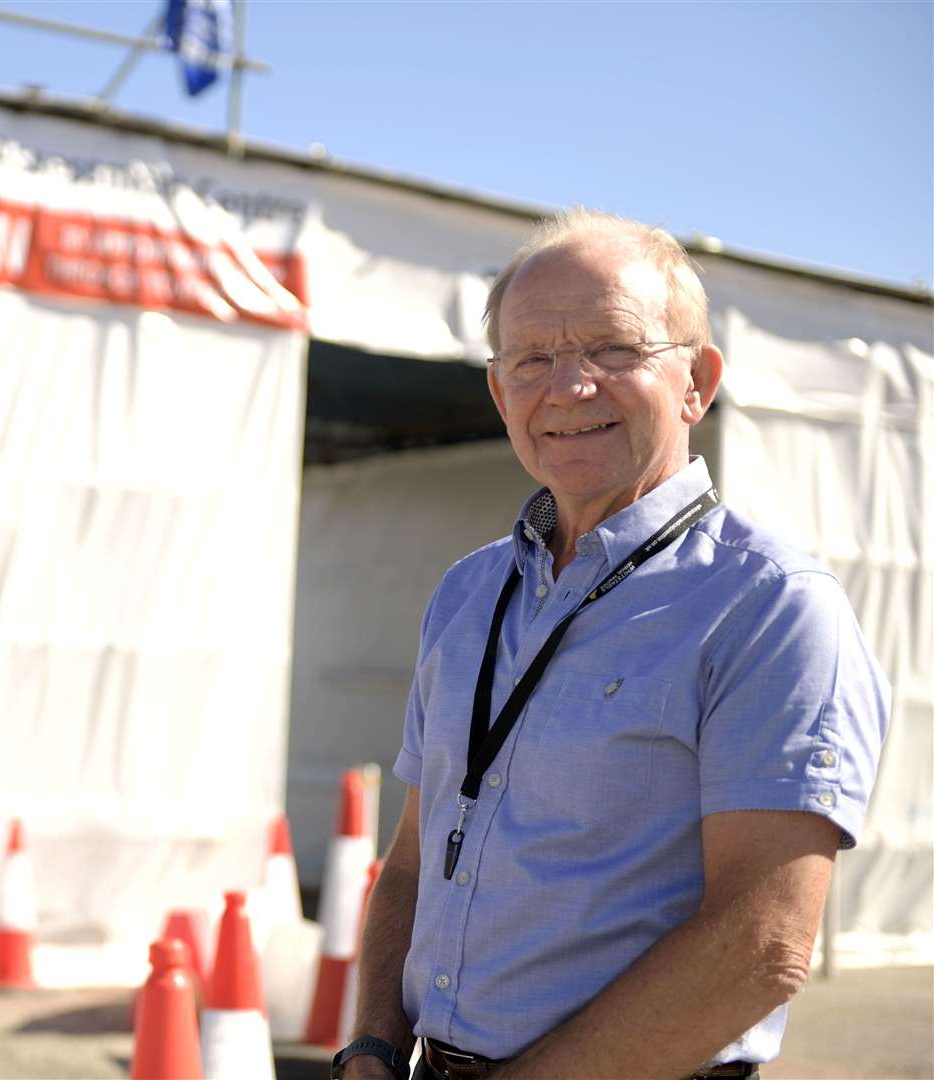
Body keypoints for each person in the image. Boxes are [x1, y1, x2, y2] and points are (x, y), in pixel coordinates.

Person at [330, 209, 889, 1080]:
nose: (569, 386)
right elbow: (412, 861)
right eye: (532, 359)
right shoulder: (469, 594)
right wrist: (370, 1044)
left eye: (614, 349)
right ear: (499, 392)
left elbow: (762, 944)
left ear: (697, 381)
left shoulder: (770, 609)